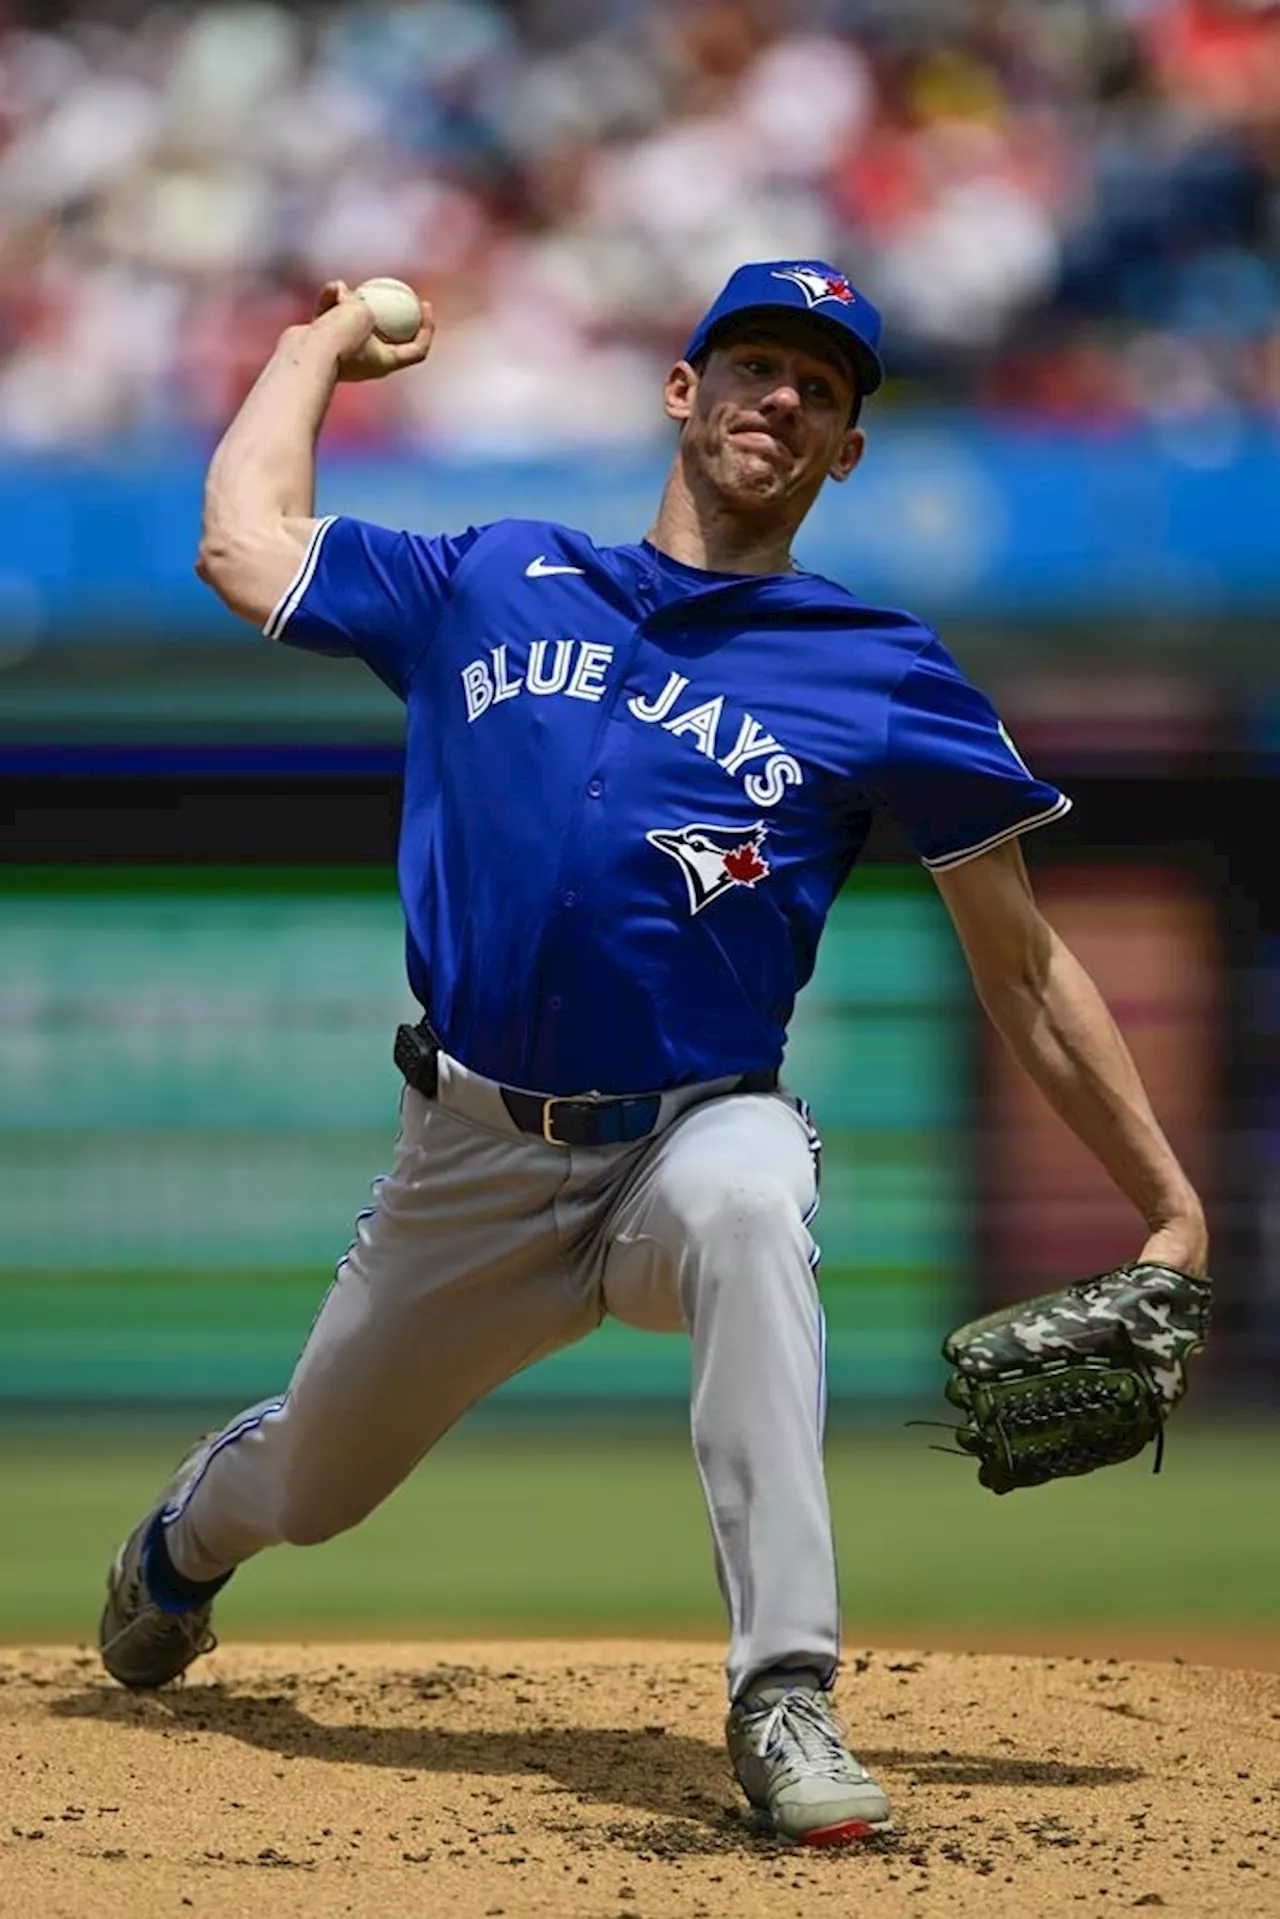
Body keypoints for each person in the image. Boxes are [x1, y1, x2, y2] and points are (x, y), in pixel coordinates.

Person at [98, 259, 1208, 1847]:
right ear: (680, 394)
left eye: (821, 391)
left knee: (757, 1199)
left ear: (846, 455)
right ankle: (184, 1547)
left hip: (689, 1136)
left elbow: (1025, 970)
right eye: (753, 365)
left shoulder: (880, 671)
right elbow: (240, 541)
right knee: (315, 1487)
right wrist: (316, 346)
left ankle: (785, 1689)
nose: (783, 399)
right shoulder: (495, 575)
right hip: (471, 1151)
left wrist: (1171, 1204)